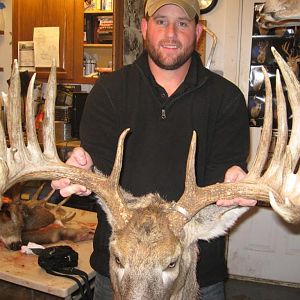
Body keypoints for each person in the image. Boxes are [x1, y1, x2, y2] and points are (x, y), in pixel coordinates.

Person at [52, 0, 256, 299]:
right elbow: (99, 165)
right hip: (121, 268)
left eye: (182, 23)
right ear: (145, 27)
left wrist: (233, 179)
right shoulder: (109, 90)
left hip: (196, 270)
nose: (171, 32)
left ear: (198, 31)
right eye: (161, 21)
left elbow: (225, 168)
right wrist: (83, 171)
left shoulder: (226, 98)